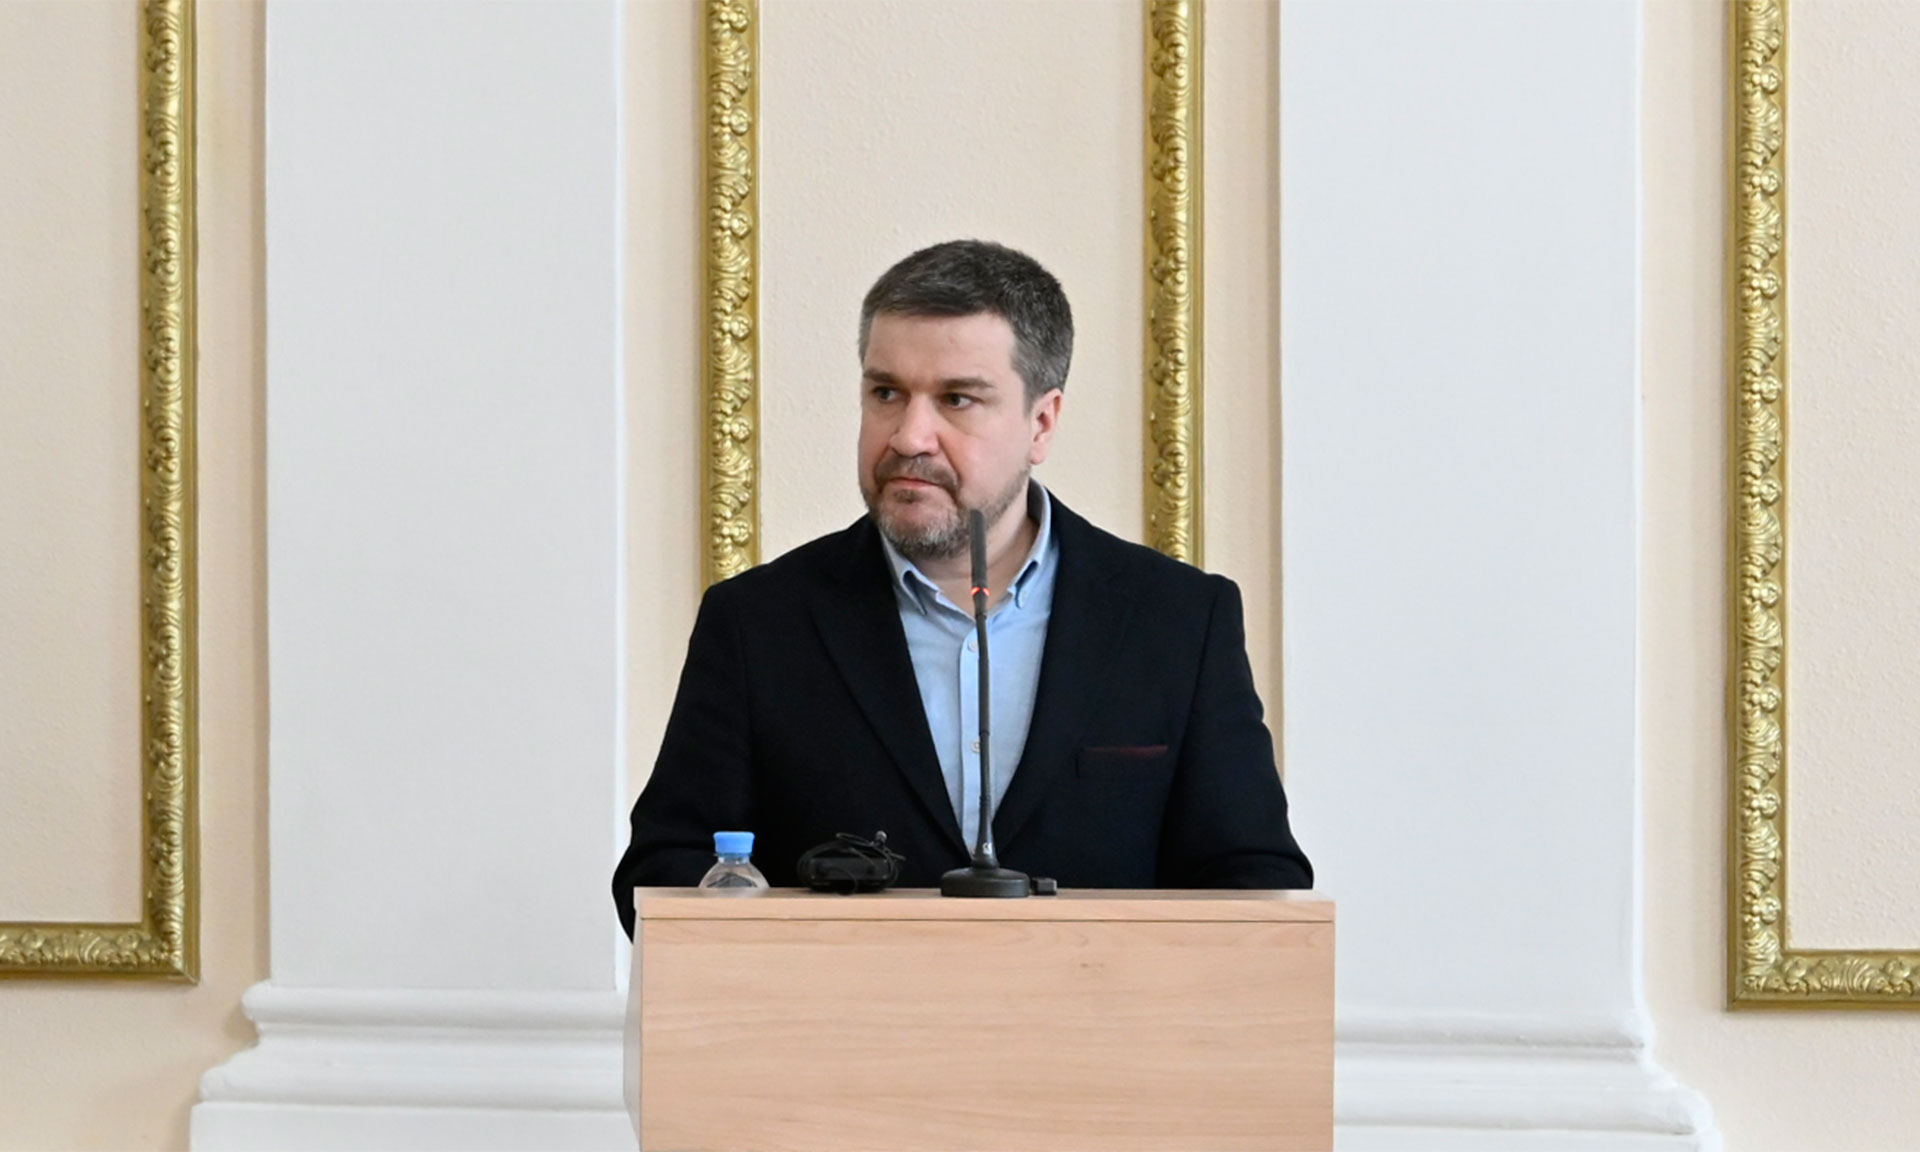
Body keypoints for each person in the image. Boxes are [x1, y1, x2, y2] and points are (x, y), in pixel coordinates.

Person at [614, 240, 1310, 936]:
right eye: (886, 393)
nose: (909, 436)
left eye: (957, 399)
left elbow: (1253, 880)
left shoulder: (1179, 620)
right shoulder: (758, 621)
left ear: (1041, 423)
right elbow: (665, 871)